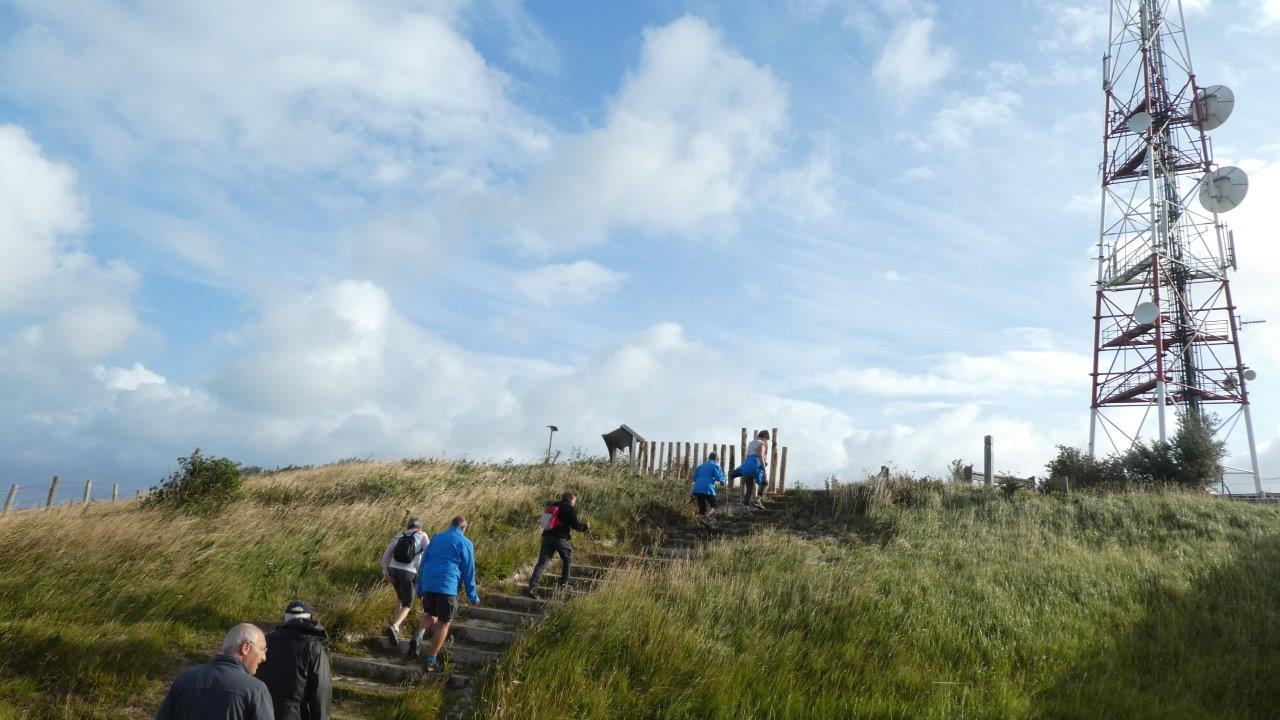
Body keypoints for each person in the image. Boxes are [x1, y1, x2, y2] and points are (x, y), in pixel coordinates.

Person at [155, 623, 275, 720]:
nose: (264, 657)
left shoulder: (184, 679)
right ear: (245, 647)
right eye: (262, 650)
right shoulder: (255, 689)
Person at [414, 515, 479, 672]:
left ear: (451, 525)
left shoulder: (436, 538)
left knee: (430, 614)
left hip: (429, 581)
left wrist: (420, 587)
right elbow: (468, 570)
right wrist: (472, 595)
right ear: (463, 528)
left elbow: (424, 562)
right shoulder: (465, 543)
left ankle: (418, 635)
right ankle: (431, 660)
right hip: (447, 585)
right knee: (444, 622)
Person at [256, 600, 332, 720]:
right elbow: (321, 692)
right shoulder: (314, 647)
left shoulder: (266, 641)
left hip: (262, 712)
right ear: (310, 619)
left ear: (285, 619)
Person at [526, 491, 590, 597]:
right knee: (568, 557)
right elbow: (575, 525)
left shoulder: (554, 504)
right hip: (559, 539)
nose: (575, 502)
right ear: (570, 498)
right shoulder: (568, 508)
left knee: (542, 563)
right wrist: (585, 527)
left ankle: (532, 587)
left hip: (546, 538)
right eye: (574, 500)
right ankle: (563, 585)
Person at [379, 516, 429, 648]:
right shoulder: (422, 535)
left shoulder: (399, 535)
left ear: (408, 526)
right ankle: (395, 626)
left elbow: (386, 554)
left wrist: (385, 572)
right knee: (408, 603)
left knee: (401, 598)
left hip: (393, 570)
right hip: (409, 571)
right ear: (419, 526)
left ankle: (395, 628)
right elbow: (429, 553)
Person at [735, 430, 770, 509]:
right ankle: (757, 500)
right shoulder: (761, 444)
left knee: (749, 489)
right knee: (765, 483)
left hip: (747, 466)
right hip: (755, 467)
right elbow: (760, 457)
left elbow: (751, 455)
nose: (766, 441)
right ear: (764, 437)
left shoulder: (751, 443)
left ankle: (746, 509)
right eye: (766, 439)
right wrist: (764, 471)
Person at [691, 452, 728, 524]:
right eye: (718, 460)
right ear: (716, 459)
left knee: (702, 508)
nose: (718, 461)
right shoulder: (715, 466)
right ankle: (705, 518)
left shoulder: (700, 466)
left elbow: (694, 478)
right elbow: (719, 478)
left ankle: (701, 525)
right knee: (714, 505)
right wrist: (725, 478)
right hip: (708, 489)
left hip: (697, 489)